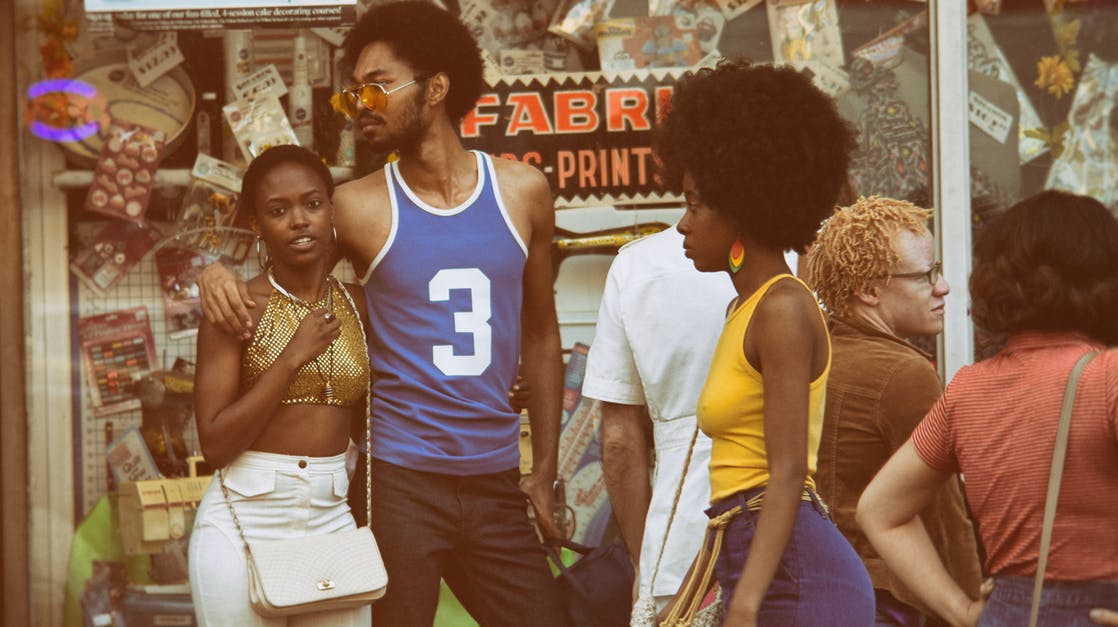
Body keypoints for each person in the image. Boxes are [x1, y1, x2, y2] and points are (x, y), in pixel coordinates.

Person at [197, 3, 569, 625]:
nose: (360, 104)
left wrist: (547, 469)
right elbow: (281, 268)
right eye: (351, 95)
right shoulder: (352, 206)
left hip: (497, 476)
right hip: (398, 481)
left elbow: (541, 332)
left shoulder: (523, 192)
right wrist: (214, 272)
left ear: (437, 88)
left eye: (376, 86)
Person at [858, 190, 1118, 627]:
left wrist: (961, 611)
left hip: (1007, 612)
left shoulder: (968, 390)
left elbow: (878, 511)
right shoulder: (1114, 377)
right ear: (1108, 276)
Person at [657, 59, 874, 625]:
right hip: (752, 550)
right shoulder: (745, 308)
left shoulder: (780, 308)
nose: (683, 223)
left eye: (694, 203)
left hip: (797, 573)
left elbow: (785, 474)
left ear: (741, 210)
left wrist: (746, 604)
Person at [188, 145, 371, 626]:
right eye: (278, 210)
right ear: (255, 225)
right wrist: (291, 356)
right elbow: (215, 444)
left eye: (312, 204)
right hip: (244, 525)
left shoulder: (358, 304)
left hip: (331, 520)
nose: (298, 221)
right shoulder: (238, 307)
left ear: (331, 210)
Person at [806, 196, 984, 627]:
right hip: (882, 600)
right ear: (868, 290)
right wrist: (973, 608)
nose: (943, 287)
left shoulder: (814, 353)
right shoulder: (904, 373)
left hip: (813, 589)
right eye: (926, 276)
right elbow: (945, 516)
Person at [583, 225, 731, 623]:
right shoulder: (796, 259)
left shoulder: (637, 264)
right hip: (789, 539)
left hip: (676, 545)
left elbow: (618, 442)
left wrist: (641, 560)